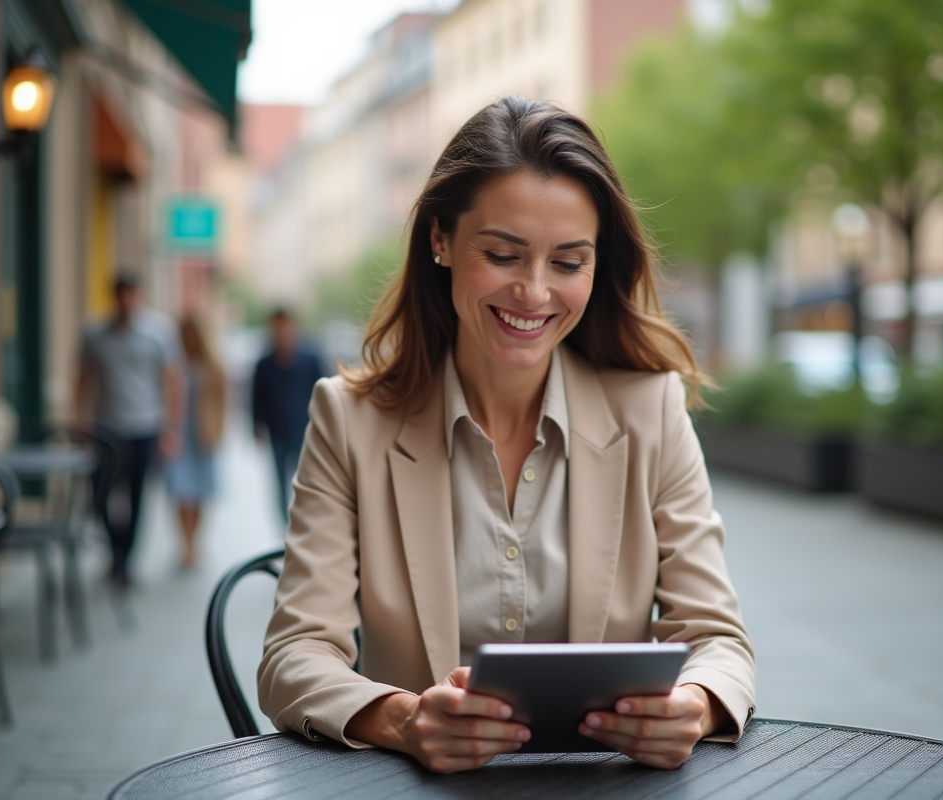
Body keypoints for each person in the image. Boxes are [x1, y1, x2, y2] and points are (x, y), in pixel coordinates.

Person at [257, 97, 755, 774]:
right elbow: (293, 657)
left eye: (568, 263)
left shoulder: (650, 410)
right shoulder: (349, 420)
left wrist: (692, 705)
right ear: (441, 239)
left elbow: (717, 636)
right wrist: (406, 720)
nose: (534, 292)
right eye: (502, 254)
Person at [76, 273, 182, 587]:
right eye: (120, 295)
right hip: (105, 429)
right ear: (114, 296)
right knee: (101, 495)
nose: (126, 301)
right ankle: (115, 551)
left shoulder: (159, 332)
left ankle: (126, 561)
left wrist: (171, 428)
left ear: (138, 296)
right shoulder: (94, 334)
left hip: (145, 427)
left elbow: (172, 381)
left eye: (131, 295)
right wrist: (80, 424)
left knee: (137, 496)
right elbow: (82, 380)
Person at [251, 309, 328, 522]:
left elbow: (325, 392)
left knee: (309, 480)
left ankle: (306, 521)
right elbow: (257, 397)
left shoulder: (310, 359)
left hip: (306, 430)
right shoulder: (265, 364)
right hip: (277, 431)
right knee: (279, 482)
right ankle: (284, 527)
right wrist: (256, 425)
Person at [164, 314, 226, 569]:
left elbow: (222, 400)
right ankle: (185, 541)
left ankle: (195, 540)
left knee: (199, 491)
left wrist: (219, 430)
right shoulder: (172, 363)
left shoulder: (212, 365)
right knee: (180, 489)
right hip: (179, 433)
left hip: (202, 434)